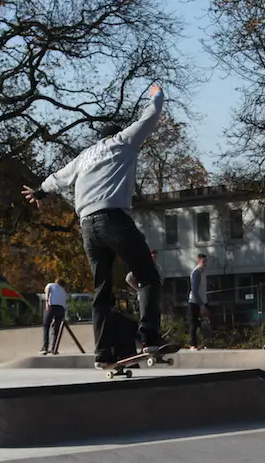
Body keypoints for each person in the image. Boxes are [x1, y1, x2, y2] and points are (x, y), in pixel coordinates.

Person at [22, 83, 165, 369]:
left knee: (102, 288)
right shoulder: (123, 141)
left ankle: (102, 352)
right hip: (114, 220)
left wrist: (39, 191)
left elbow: (58, 178)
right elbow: (150, 117)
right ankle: (149, 337)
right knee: (148, 276)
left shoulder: (84, 156)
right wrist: (156, 95)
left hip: (87, 226)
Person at [41, 278, 68, 354]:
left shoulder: (50, 285)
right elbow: (64, 303)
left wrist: (47, 302)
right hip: (61, 309)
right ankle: (54, 348)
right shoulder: (63, 291)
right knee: (57, 329)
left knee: (46, 326)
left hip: (51, 306)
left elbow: (48, 291)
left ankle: (45, 347)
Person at [188, 254, 209, 350]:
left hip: (203, 300)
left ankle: (205, 342)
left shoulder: (203, 272)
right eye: (203, 261)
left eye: (206, 261)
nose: (205, 263)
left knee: (205, 323)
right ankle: (193, 344)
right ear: (199, 261)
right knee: (194, 322)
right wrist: (201, 305)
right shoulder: (196, 272)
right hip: (195, 301)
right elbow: (195, 291)